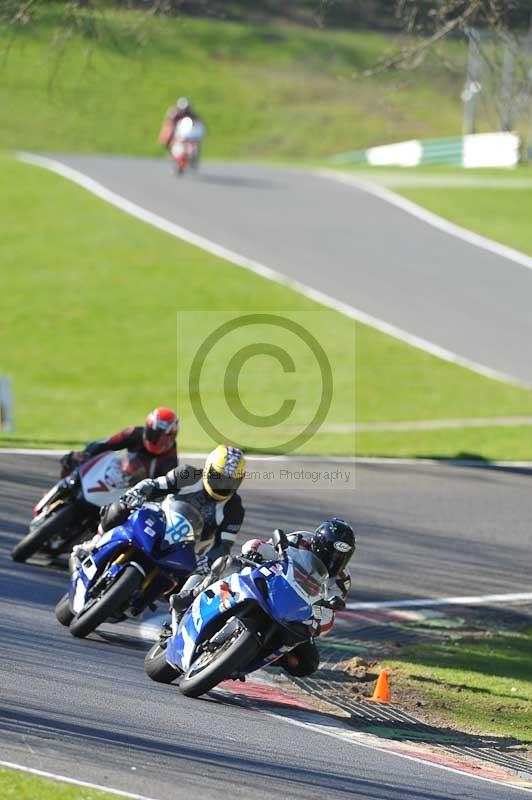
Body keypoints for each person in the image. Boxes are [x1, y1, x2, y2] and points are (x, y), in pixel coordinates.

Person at [170, 517, 355, 678]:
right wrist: (253, 553)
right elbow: (263, 546)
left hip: (296, 611)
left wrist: (318, 621)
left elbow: (330, 612)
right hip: (272, 585)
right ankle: (193, 594)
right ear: (318, 544)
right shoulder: (300, 540)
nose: (334, 560)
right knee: (230, 563)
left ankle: (257, 655)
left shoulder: (342, 580)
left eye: (341, 557)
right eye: (331, 553)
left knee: (308, 662)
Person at [74, 445, 246, 575]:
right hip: (159, 522)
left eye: (230, 481)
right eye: (219, 477)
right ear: (208, 468)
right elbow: (155, 485)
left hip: (187, 551)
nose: (223, 485)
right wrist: (139, 492)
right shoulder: (189, 474)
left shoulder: (234, 509)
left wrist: (209, 561)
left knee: (194, 588)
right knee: (121, 507)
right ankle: (94, 543)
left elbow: (223, 546)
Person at [60, 407, 179, 480]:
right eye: (154, 434)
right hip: (114, 479)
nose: (157, 440)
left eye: (163, 438)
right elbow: (104, 444)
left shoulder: (170, 456)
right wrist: (85, 454)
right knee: (70, 461)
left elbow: (166, 486)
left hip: (134, 500)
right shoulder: (133, 434)